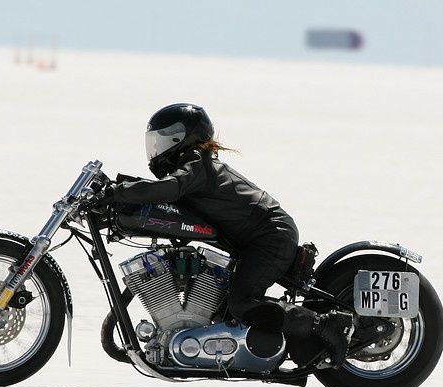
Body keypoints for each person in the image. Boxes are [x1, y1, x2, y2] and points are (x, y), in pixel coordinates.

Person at [94, 103, 353, 367]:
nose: (157, 149)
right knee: (230, 303)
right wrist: (120, 190)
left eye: (163, 140)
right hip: (258, 236)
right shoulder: (195, 165)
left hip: (269, 235)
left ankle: (325, 326)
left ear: (182, 138)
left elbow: (171, 187)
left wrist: (119, 192)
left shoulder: (196, 162)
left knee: (242, 304)